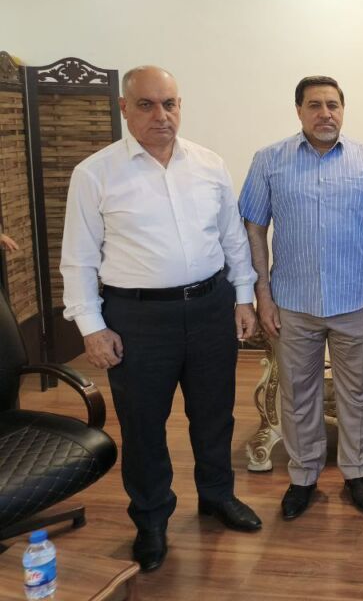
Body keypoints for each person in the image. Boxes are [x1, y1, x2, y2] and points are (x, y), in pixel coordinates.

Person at [60, 65, 261, 574]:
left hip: (210, 306)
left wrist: (243, 297)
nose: (161, 115)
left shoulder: (209, 164)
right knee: (144, 424)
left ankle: (217, 495)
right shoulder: (95, 173)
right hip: (137, 318)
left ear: (180, 106)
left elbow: (232, 238)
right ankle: (151, 518)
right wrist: (91, 327)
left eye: (169, 103)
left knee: (214, 414)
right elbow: (78, 259)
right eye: (147, 104)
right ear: (124, 108)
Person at [239, 75, 363, 520]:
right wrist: (262, 294)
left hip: (355, 301)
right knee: (298, 394)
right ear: (299, 111)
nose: (325, 113)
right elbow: (253, 227)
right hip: (292, 303)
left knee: (357, 394)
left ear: (343, 110)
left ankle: (356, 472)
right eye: (314, 105)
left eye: (333, 105)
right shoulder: (269, 161)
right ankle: (304, 476)